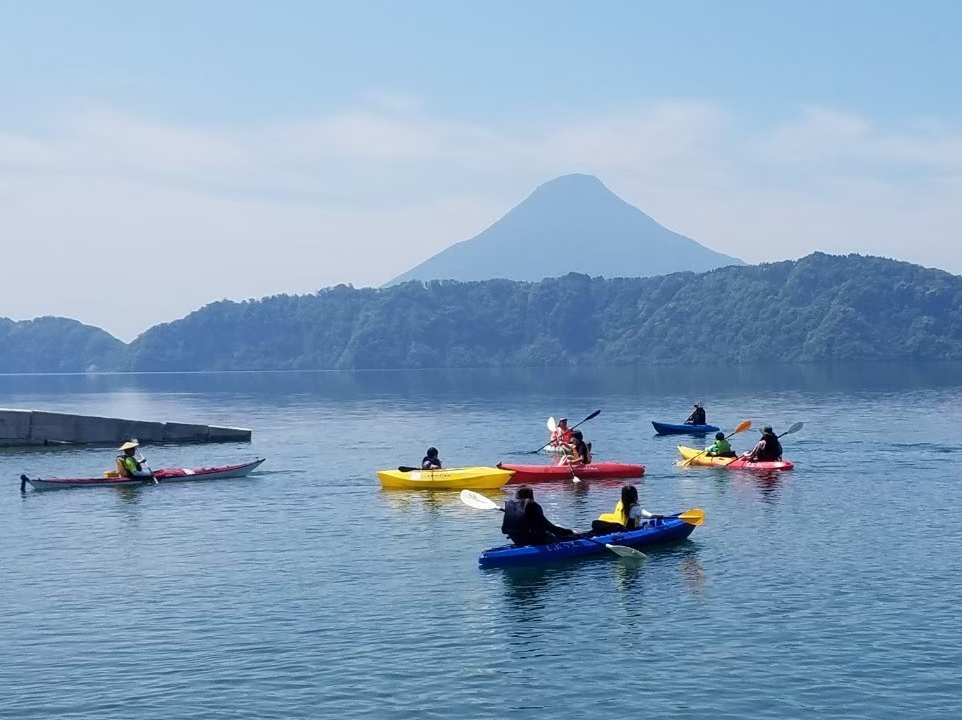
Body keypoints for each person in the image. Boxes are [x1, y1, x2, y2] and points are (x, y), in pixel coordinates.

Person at [501, 486, 576, 546]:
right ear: (532, 496)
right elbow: (551, 528)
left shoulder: (510, 506)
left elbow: (504, 530)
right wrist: (570, 532)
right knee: (564, 533)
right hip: (536, 541)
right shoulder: (533, 506)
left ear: (517, 496)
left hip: (518, 541)